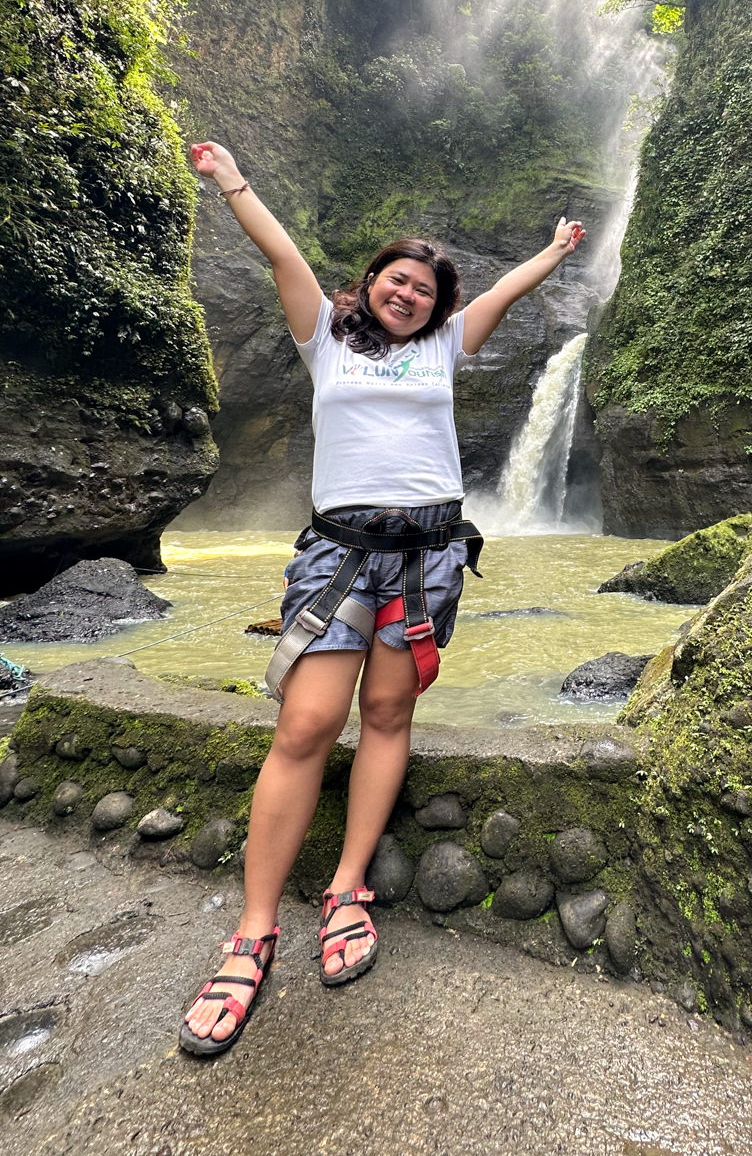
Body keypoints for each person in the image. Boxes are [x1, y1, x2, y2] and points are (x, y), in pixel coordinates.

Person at [179, 140, 584, 1055]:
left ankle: (348, 885)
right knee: (306, 724)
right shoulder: (323, 335)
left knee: (390, 712)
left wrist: (556, 253)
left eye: (426, 290)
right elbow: (282, 252)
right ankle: (251, 931)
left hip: (430, 553)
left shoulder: (445, 347)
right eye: (397, 281)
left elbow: (500, 298)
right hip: (338, 555)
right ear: (369, 285)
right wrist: (231, 180)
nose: (412, 295)